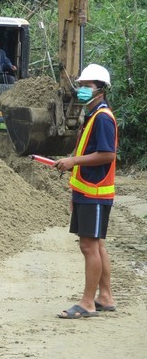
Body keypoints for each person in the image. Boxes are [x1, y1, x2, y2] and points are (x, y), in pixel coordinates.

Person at [53, 64, 118, 319]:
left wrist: (73, 162)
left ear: (100, 91)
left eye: (87, 86)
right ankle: (105, 296)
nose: (81, 89)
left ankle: (88, 303)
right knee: (96, 244)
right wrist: (74, 192)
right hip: (86, 191)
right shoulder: (92, 115)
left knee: (89, 247)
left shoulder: (103, 117)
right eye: (80, 85)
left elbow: (107, 155)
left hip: (96, 192)